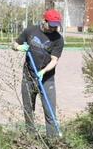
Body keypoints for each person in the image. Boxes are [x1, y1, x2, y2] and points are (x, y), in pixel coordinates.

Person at [11, 9, 64, 138]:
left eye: (56, 26)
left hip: (47, 79)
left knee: (50, 111)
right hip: (28, 77)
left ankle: (53, 141)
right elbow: (14, 43)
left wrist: (44, 71)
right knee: (28, 109)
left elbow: (54, 60)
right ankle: (31, 138)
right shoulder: (30, 31)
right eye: (51, 25)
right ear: (44, 21)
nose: (53, 28)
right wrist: (18, 47)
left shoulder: (58, 39)